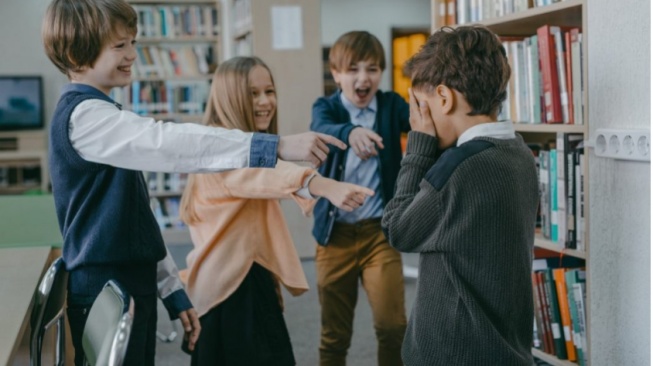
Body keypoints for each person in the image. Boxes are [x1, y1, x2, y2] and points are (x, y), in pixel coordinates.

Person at [41, 1, 346, 365]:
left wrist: (171, 290)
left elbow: (137, 218)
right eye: (120, 46)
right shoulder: (85, 117)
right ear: (78, 52)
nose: (133, 55)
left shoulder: (105, 113)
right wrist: (274, 145)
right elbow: (169, 143)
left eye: (133, 43)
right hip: (107, 286)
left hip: (127, 284)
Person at [178, 56, 374, 366]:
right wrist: (324, 186)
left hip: (245, 278)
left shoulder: (232, 146)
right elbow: (264, 176)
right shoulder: (219, 153)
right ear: (230, 97)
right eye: (253, 93)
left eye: (269, 91)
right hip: (228, 292)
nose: (266, 101)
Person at [381, 25, 540, 366]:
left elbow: (398, 229)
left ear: (444, 98)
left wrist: (418, 146)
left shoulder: (459, 168)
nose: (418, 118)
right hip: (504, 348)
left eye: (421, 107)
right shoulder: (519, 153)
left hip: (454, 352)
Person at [309, 30, 410, 366]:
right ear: (336, 74)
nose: (363, 78)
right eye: (352, 69)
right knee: (334, 336)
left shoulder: (392, 105)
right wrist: (350, 132)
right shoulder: (327, 107)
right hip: (333, 236)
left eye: (372, 69)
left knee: (393, 327)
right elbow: (321, 127)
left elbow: (424, 125)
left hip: (378, 234)